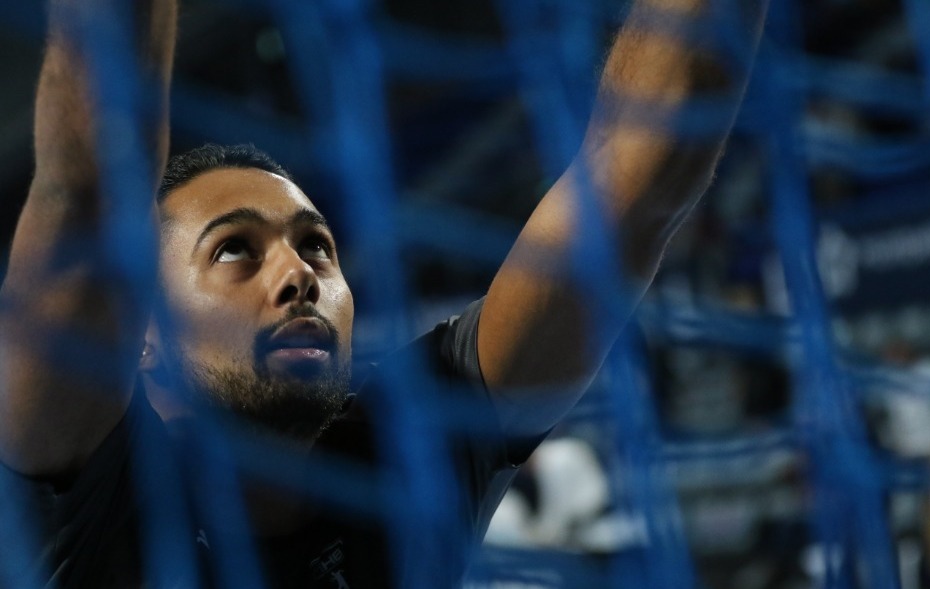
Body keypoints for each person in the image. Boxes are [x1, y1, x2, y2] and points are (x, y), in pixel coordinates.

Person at [0, 0, 765, 587]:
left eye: (318, 247)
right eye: (235, 249)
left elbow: (643, 169)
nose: (299, 275)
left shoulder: (415, 452)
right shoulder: (79, 480)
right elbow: (94, 181)